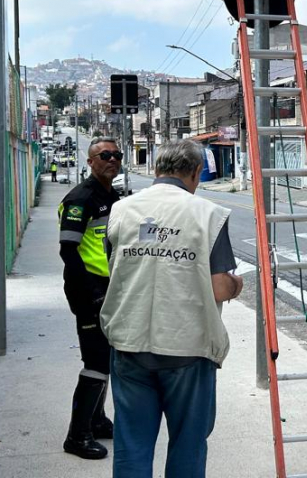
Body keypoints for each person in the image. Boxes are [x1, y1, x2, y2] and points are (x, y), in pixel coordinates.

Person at [101, 139, 243, 478]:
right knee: (187, 444)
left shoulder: (121, 210)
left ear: (155, 170)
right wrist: (238, 285)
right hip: (187, 349)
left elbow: (117, 267)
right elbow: (220, 286)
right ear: (195, 173)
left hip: (130, 341)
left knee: (132, 445)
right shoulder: (207, 214)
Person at [58, 137, 123, 459]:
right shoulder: (81, 198)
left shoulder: (113, 196)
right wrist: (93, 293)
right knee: (96, 361)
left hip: (109, 289)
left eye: (116, 155)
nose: (112, 159)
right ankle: (77, 435)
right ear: (91, 161)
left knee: (106, 357)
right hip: (89, 292)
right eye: (104, 155)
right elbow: (68, 251)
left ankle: (97, 421)